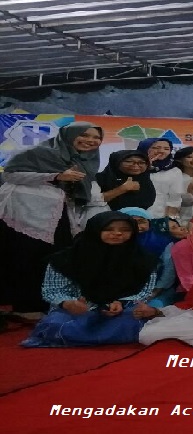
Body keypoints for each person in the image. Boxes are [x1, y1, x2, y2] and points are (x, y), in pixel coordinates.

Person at [0, 122, 102, 316]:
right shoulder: (39, 152)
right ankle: (25, 306)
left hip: (58, 213)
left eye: (97, 137)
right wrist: (56, 176)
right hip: (24, 210)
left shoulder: (86, 160)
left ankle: (47, 304)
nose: (91, 140)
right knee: (25, 257)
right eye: (84, 135)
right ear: (69, 135)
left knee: (52, 258)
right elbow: (10, 176)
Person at [21, 212, 157, 347]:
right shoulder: (65, 259)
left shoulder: (143, 260)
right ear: (95, 230)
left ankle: (76, 337)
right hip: (75, 311)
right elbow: (52, 290)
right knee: (56, 323)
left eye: (125, 230)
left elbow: (144, 291)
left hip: (120, 311)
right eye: (108, 229)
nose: (117, 233)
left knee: (133, 319)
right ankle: (102, 336)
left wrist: (121, 302)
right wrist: (69, 303)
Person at [92, 150, 155, 217]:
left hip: (143, 219)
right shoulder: (99, 179)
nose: (136, 165)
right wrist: (122, 189)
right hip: (106, 218)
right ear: (116, 162)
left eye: (141, 162)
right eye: (129, 161)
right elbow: (91, 201)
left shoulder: (149, 179)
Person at [137, 137, 184, 218]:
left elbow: (175, 198)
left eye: (166, 149)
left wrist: (170, 219)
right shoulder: (131, 167)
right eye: (156, 148)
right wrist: (145, 166)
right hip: (133, 211)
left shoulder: (174, 171)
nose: (161, 151)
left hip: (160, 213)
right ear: (145, 148)